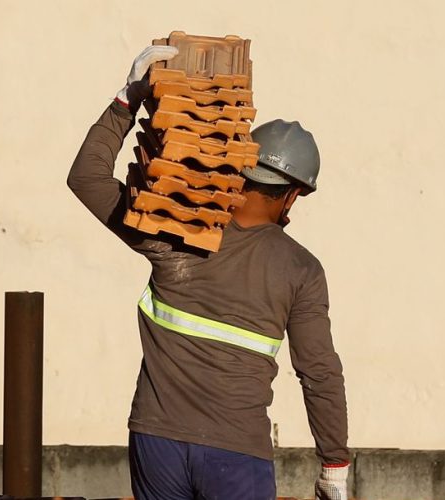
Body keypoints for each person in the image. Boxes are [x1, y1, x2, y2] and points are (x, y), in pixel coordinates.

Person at [68, 45, 349, 500]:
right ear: (292, 194)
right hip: (237, 455)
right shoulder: (301, 270)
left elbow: (86, 178)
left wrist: (127, 99)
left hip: (155, 440)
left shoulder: (175, 227)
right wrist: (334, 462)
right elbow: (318, 371)